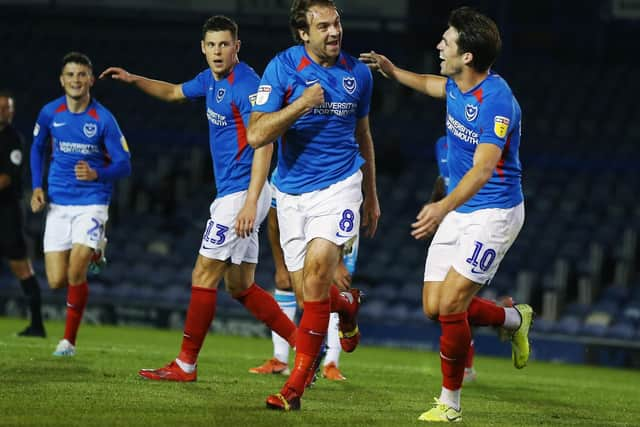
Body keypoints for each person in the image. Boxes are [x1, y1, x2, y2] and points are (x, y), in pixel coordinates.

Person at [100, 15, 298, 382]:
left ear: (237, 47)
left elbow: (264, 142)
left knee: (203, 274)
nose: (218, 51)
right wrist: (134, 79)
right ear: (203, 48)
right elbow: (174, 92)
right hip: (235, 193)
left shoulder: (248, 85)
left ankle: (186, 364)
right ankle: (306, 347)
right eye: (212, 45)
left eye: (225, 44)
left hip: (242, 192)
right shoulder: (210, 80)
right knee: (240, 286)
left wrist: (252, 201)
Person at [360, 7, 533, 422]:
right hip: (461, 208)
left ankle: (450, 404)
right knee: (434, 307)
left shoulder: (497, 101)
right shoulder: (457, 84)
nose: (439, 45)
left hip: (494, 213)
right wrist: (392, 70)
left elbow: (483, 169)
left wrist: (441, 206)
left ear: (468, 56)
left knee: (453, 305)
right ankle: (512, 318)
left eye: (447, 40)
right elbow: (430, 84)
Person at [247, 0, 380, 411]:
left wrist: (371, 195)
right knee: (309, 295)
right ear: (303, 33)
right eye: (323, 26)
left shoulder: (358, 74)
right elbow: (256, 135)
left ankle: (295, 387)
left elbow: (364, 136)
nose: (334, 31)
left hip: (340, 186)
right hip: (290, 194)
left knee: (320, 273)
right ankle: (348, 307)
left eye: (336, 22)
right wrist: (302, 103)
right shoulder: (282, 69)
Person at [30, 52, 132, 356]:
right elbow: (37, 149)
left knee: (76, 274)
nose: (76, 80)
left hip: (92, 202)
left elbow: (125, 165)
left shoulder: (103, 119)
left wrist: (97, 172)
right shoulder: (50, 113)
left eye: (82, 75)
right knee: (56, 280)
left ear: (90, 79)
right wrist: (37, 186)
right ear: (62, 80)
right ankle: (95, 251)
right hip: (59, 205)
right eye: (70, 75)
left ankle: (68, 342)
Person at [249, 179, 360, 381]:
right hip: (298, 219)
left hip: (334, 218)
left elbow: (347, 206)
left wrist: (339, 261)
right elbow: (274, 225)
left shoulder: (335, 161)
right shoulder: (279, 176)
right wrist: (280, 265)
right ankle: (280, 358)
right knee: (294, 291)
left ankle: (330, 363)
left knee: (329, 285)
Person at [0, 91, 46, 338]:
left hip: (6, 214)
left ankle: (37, 324)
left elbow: (7, 178)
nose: (3, 112)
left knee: (21, 268)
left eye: (7, 108)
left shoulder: (13, 139)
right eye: (1, 107)